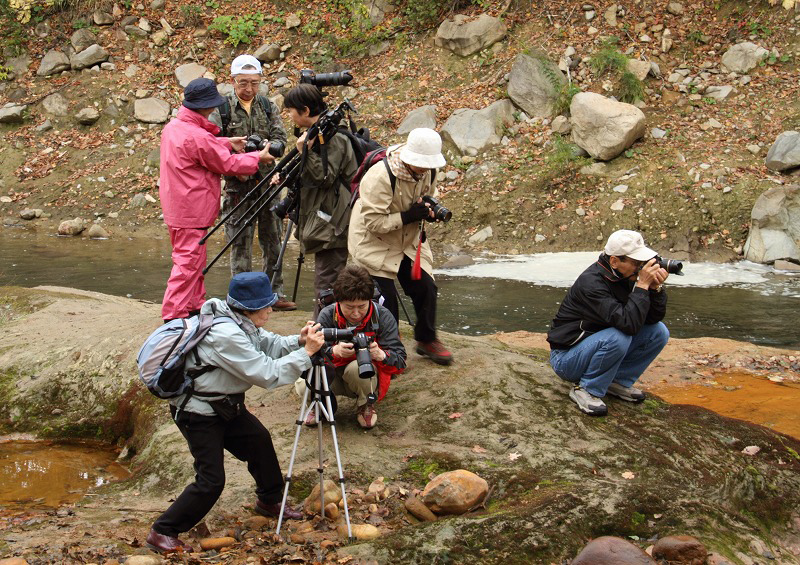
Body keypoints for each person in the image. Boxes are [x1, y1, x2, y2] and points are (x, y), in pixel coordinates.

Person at [146, 271, 325, 554]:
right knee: (211, 479)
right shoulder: (225, 333)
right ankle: (163, 530)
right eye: (268, 305)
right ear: (253, 308)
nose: (271, 309)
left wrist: (299, 342)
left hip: (224, 404)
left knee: (259, 441)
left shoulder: (236, 318)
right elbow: (267, 374)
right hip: (198, 412)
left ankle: (269, 500)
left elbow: (268, 344)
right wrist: (307, 355)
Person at [159, 77, 276, 322]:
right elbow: (227, 163)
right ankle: (174, 313)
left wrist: (225, 141)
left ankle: (193, 304)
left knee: (193, 259)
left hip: (178, 206)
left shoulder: (175, 127)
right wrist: (257, 158)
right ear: (202, 106)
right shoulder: (197, 137)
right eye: (211, 105)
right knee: (188, 262)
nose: (214, 109)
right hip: (192, 209)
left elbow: (204, 147)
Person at [348, 128, 453, 366]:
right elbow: (373, 222)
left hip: (406, 239)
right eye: (422, 164)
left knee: (426, 287)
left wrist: (426, 210)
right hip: (372, 241)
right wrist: (406, 216)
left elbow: (427, 196)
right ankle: (388, 351)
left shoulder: (429, 171)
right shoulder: (380, 177)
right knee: (386, 302)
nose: (426, 169)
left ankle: (427, 340)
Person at [546, 230, 670, 416]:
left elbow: (651, 320)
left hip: (595, 346)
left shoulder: (624, 275)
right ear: (614, 261)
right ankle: (586, 389)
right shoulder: (592, 283)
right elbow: (628, 325)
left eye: (642, 263)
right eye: (636, 263)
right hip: (566, 359)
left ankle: (617, 381)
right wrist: (642, 287)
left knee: (658, 332)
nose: (641, 268)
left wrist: (655, 290)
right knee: (618, 336)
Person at [209, 55, 295, 312]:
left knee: (273, 240)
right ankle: (243, 299)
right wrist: (240, 163)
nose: (249, 89)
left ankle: (274, 294)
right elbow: (214, 146)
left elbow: (280, 137)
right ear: (232, 81)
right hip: (238, 187)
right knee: (240, 243)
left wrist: (268, 151)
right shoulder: (221, 109)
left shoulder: (268, 106)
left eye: (254, 83)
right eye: (243, 83)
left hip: (268, 183)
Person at [280, 84, 357, 316]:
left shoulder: (333, 137)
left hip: (333, 218)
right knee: (328, 278)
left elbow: (324, 177)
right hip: (325, 215)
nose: (289, 116)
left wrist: (304, 151)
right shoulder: (321, 133)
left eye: (291, 111)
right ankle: (329, 328)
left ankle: (322, 332)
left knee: (328, 281)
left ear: (304, 110)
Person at [314, 265, 407, 429]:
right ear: (338, 301)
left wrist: (381, 355)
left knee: (357, 369)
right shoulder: (327, 314)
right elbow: (311, 354)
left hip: (364, 375)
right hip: (333, 374)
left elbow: (400, 363)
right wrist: (333, 352)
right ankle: (319, 404)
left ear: (370, 300)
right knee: (303, 381)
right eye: (349, 307)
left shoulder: (382, 316)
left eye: (362, 307)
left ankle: (365, 404)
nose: (356, 314)